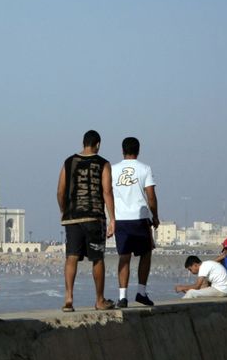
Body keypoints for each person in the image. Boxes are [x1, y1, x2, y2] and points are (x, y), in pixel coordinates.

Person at [57, 129, 116, 311]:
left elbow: (60, 191)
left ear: (83, 143)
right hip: (94, 217)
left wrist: (64, 210)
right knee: (97, 259)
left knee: (71, 257)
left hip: (72, 218)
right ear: (97, 144)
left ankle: (68, 299)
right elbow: (107, 191)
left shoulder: (69, 162)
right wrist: (113, 218)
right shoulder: (103, 163)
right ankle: (99, 300)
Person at [110, 136, 159, 308]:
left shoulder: (112, 170)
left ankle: (122, 296)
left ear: (122, 150)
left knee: (124, 256)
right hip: (139, 218)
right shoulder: (145, 168)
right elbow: (151, 196)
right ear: (138, 150)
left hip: (121, 219)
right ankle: (141, 292)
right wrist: (155, 216)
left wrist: (111, 218)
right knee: (146, 253)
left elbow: (107, 195)